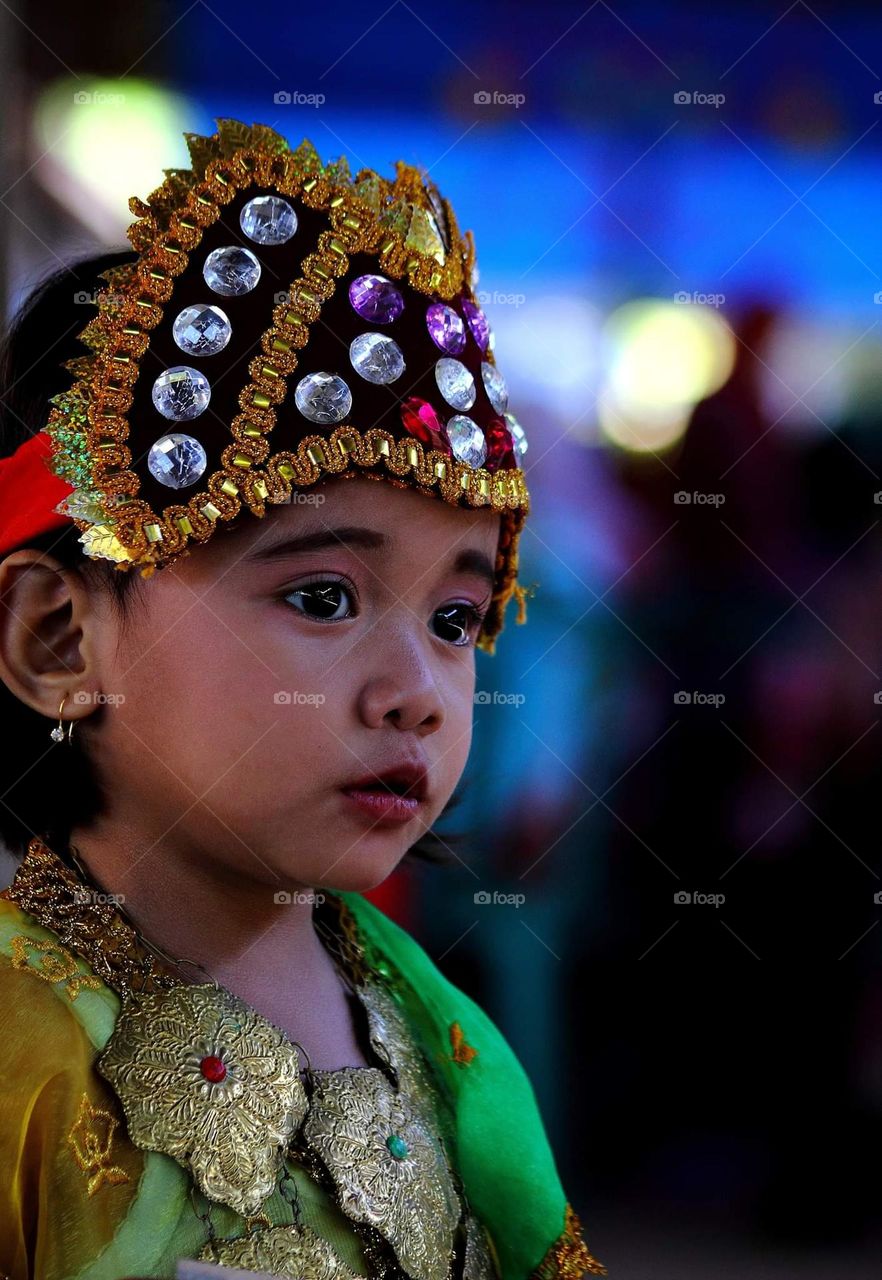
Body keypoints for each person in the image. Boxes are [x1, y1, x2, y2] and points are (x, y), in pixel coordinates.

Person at [0, 119, 606, 1280]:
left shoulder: (454, 1042)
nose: (418, 694)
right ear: (58, 633)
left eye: (455, 620)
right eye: (325, 595)